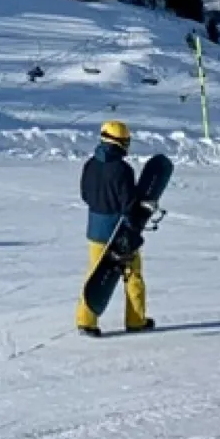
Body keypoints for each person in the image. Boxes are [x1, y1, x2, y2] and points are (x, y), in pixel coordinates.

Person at [76, 119, 154, 335]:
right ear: (120, 142)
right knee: (132, 274)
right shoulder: (122, 170)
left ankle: (86, 321)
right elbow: (128, 204)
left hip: (95, 231)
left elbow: (85, 195)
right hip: (119, 233)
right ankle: (136, 320)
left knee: (95, 276)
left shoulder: (90, 164)